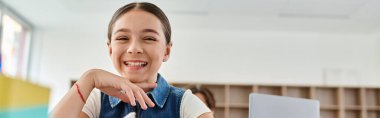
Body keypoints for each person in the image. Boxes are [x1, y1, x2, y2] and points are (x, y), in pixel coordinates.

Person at [50, 2, 213, 118]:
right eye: (122, 37)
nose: (134, 48)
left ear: (167, 51)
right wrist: (90, 77)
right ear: (110, 49)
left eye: (149, 38)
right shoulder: (95, 101)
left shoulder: (185, 104)